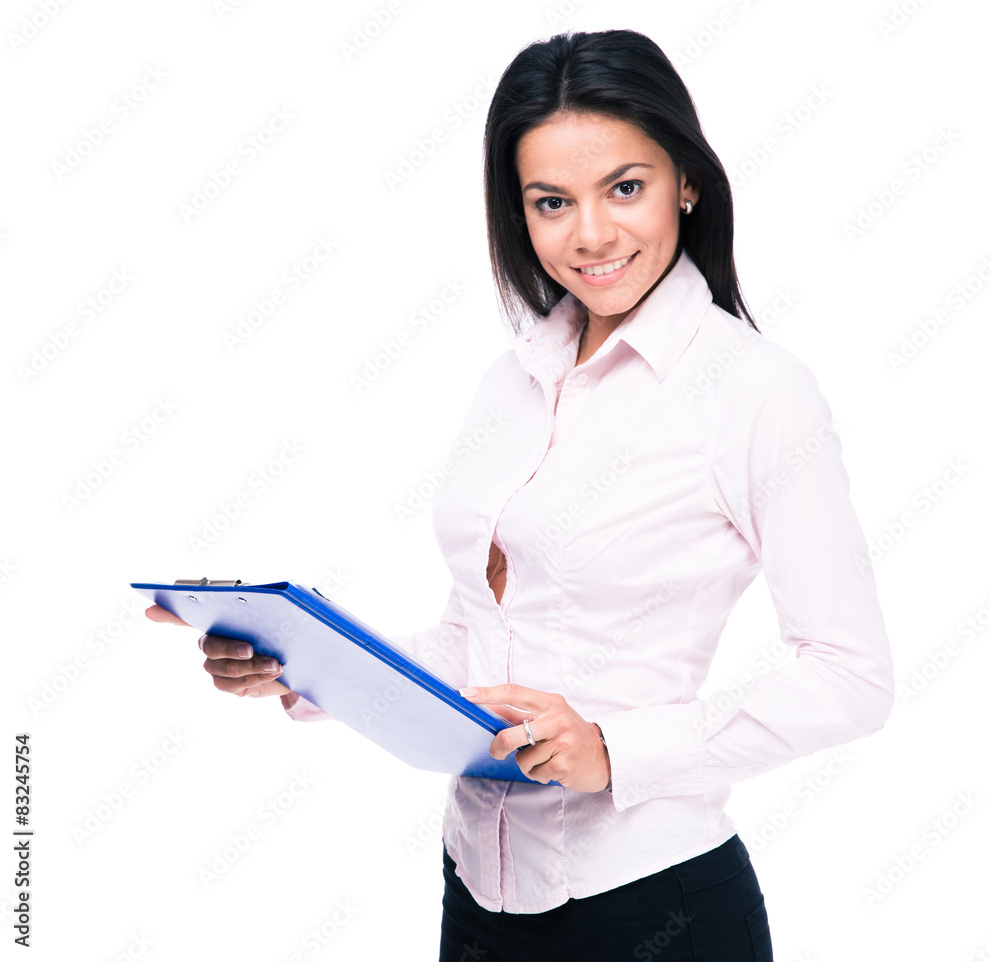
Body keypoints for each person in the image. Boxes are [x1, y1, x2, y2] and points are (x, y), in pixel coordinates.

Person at [147, 29, 894, 961]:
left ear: (687, 183)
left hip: (654, 908)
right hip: (477, 894)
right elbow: (477, 642)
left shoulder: (755, 391)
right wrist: (301, 658)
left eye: (626, 187)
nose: (590, 235)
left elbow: (853, 676)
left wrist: (617, 751)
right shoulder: (512, 379)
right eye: (552, 202)